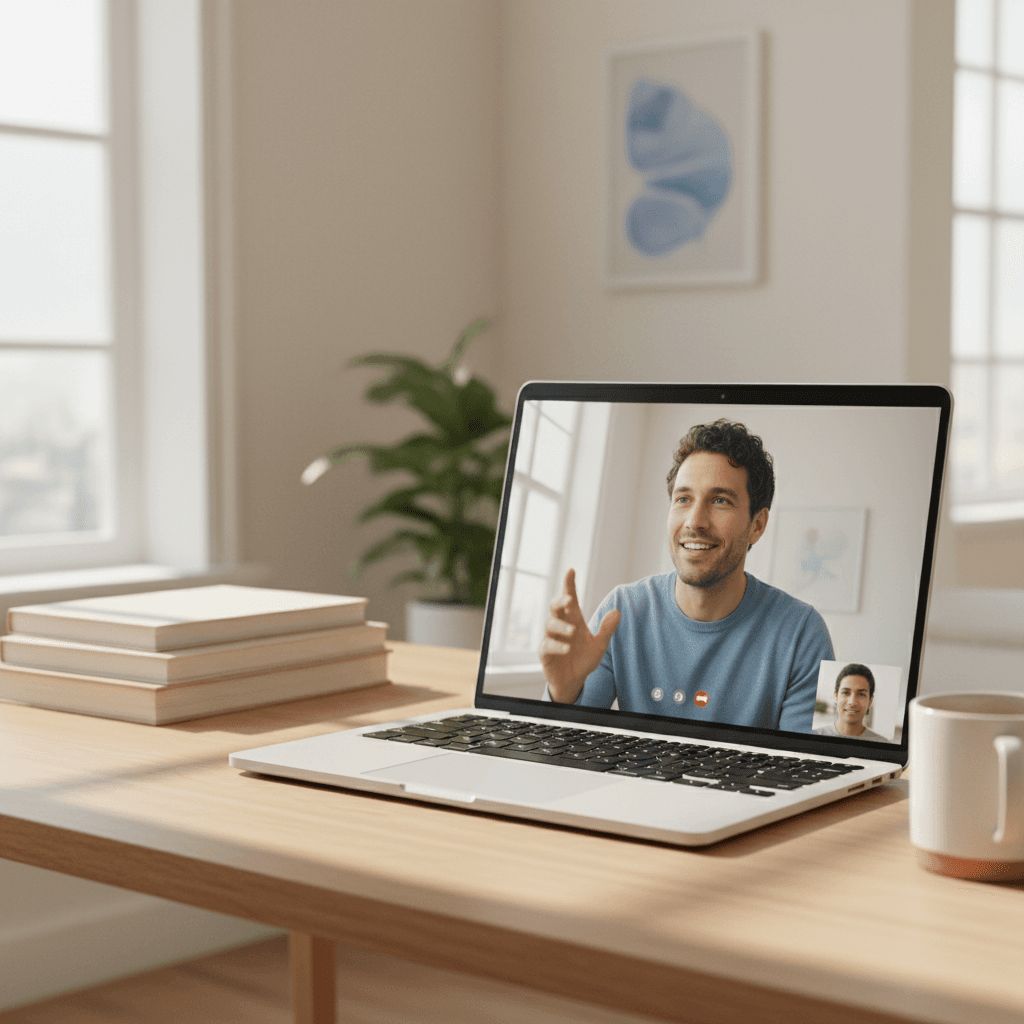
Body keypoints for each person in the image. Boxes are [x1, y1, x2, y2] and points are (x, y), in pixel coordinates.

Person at [539, 419, 834, 732]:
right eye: (683, 499)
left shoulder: (803, 633)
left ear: (757, 525)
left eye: (720, 500)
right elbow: (560, 749)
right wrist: (562, 694)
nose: (695, 521)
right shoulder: (622, 610)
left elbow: (810, 764)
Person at [814, 664, 888, 741]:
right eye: (845, 693)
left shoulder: (883, 744)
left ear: (870, 701)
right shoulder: (815, 736)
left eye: (861, 694)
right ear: (836, 697)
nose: (852, 702)